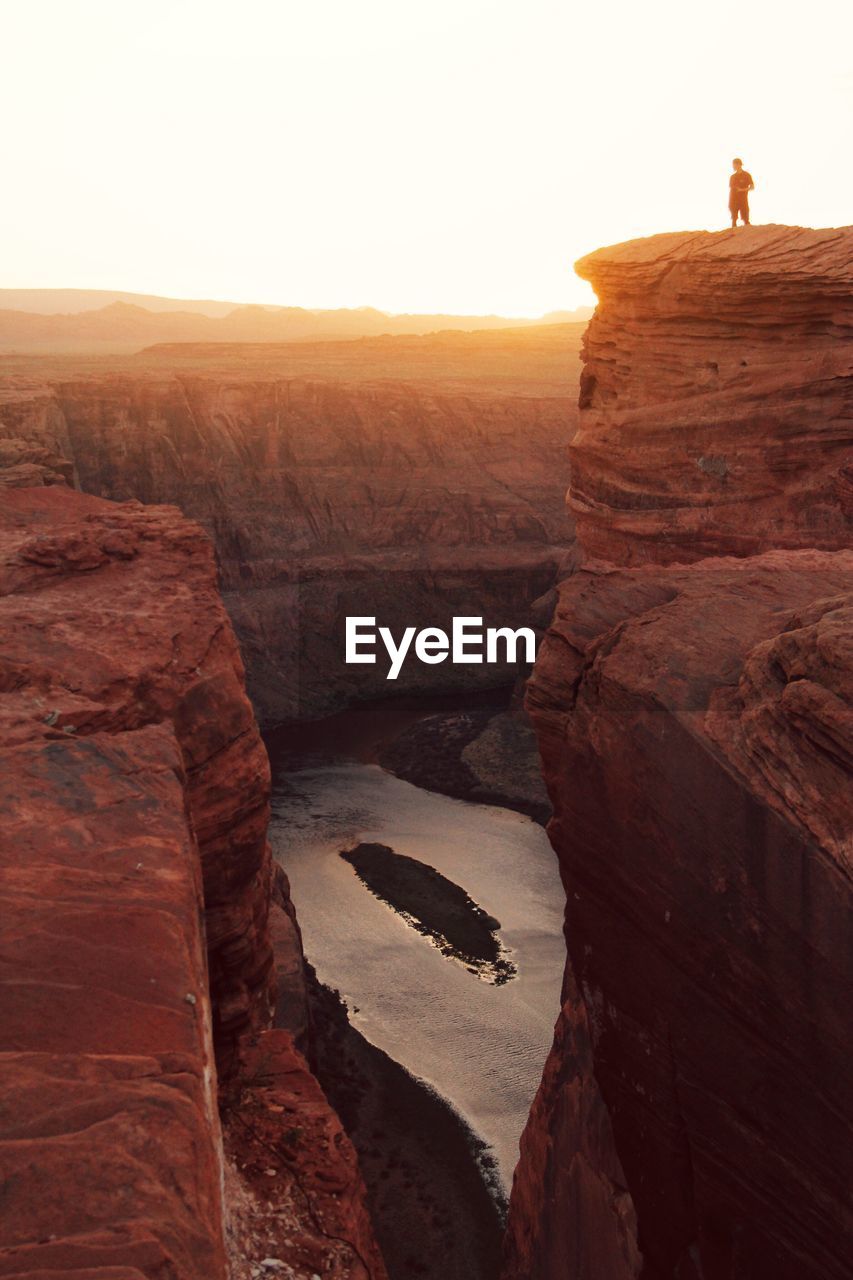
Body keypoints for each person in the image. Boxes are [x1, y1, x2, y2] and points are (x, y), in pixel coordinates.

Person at [729, 158, 754, 227]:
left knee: (746, 219)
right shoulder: (732, 177)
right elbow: (731, 188)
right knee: (734, 220)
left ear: (739, 164)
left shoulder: (746, 175)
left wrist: (742, 190)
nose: (733, 166)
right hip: (733, 200)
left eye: (734, 165)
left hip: (743, 199)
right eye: (733, 165)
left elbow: (752, 187)